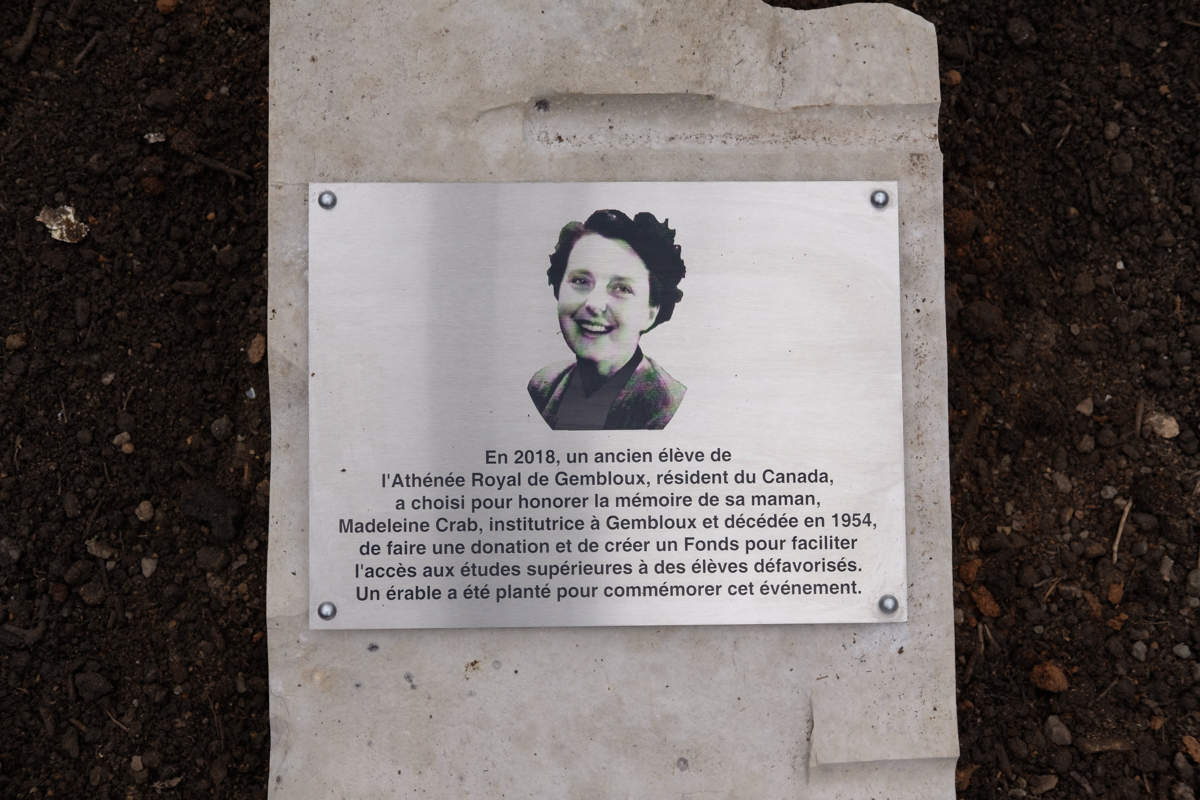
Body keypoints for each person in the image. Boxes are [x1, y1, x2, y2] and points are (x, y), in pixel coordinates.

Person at [528, 209, 687, 430]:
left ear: (651, 312)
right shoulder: (543, 385)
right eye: (581, 281)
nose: (594, 304)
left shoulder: (668, 407)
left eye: (622, 288)